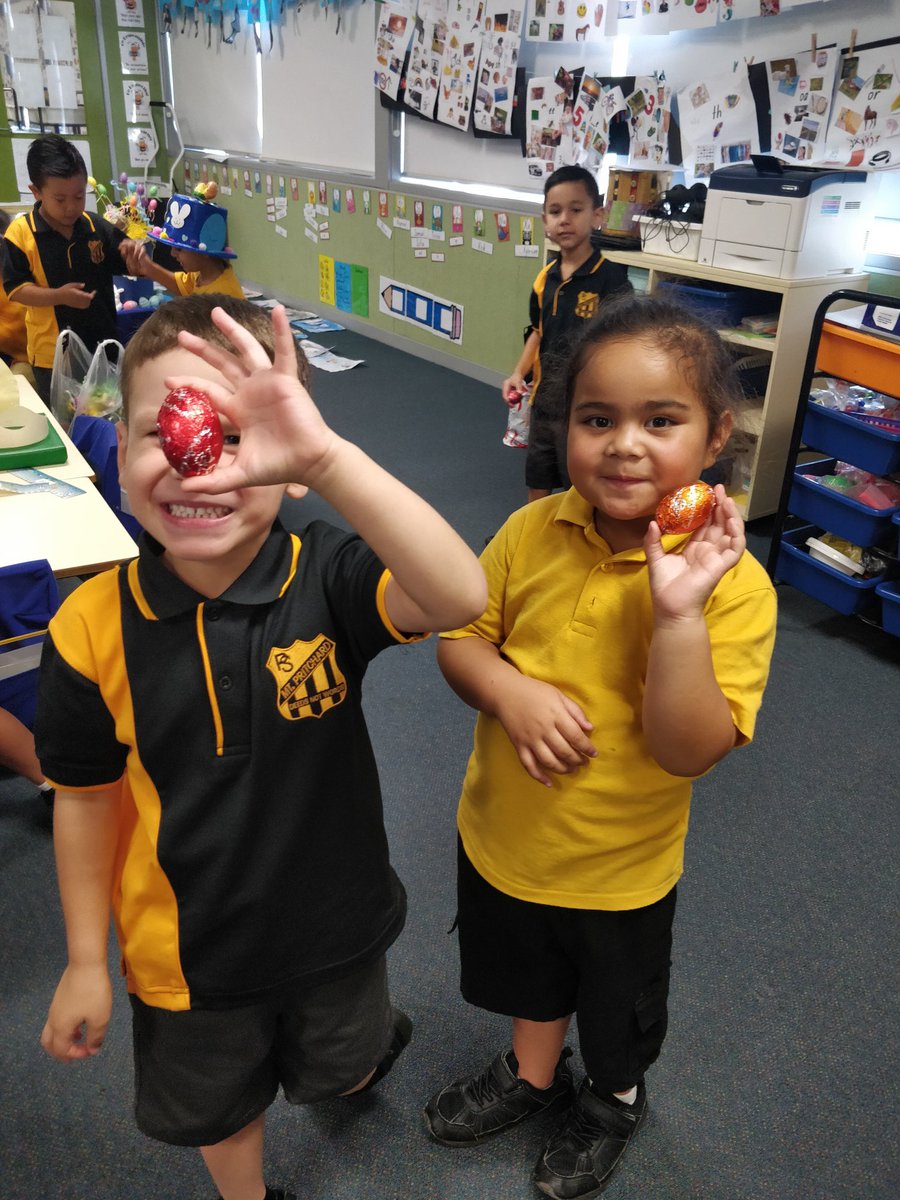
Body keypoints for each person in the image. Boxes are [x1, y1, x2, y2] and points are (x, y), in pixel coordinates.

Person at [35, 294, 487, 1200]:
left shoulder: (324, 574)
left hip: (338, 928)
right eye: (159, 433)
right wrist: (88, 958)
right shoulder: (88, 627)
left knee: (343, 1065)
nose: (196, 463)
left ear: (289, 470)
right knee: (220, 1105)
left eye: (236, 438)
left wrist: (327, 458)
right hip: (187, 954)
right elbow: (83, 800)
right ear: (118, 459)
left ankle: (355, 1069)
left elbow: (457, 595)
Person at [425, 291, 777, 1199]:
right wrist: (510, 690)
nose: (624, 443)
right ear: (566, 426)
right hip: (504, 839)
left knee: (614, 1015)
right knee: (528, 982)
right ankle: (534, 1075)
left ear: (714, 436)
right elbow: (461, 642)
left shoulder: (732, 588)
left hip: (620, 872)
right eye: (597, 418)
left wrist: (677, 614)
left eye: (660, 420)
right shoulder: (528, 531)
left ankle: (614, 1098)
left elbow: (689, 748)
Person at [502, 165, 631, 503]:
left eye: (576, 210)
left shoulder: (612, 280)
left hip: (588, 405)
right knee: (539, 475)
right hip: (545, 401)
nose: (564, 220)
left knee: (584, 481)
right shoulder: (545, 278)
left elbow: (623, 344)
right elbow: (537, 332)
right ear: (544, 220)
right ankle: (534, 537)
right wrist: (518, 373)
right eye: (555, 212)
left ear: (597, 215)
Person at [0, 134, 144, 404]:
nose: (71, 207)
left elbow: (129, 261)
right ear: (36, 192)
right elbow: (16, 289)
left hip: (103, 348)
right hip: (51, 355)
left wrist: (136, 252)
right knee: (67, 423)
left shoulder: (94, 226)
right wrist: (59, 296)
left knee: (107, 416)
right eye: (60, 199)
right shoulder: (20, 233)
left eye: (79, 197)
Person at [140, 187, 245, 299]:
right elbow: (180, 285)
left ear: (204, 252)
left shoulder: (223, 294)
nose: (172, 254)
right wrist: (148, 267)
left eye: (179, 249)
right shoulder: (201, 275)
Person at [0, 209, 32, 379]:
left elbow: (18, 328)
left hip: (29, 358)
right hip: (12, 356)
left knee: (18, 386)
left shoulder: (16, 272)